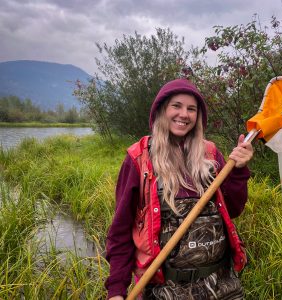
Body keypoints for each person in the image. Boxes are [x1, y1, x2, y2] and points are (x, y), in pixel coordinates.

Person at [105, 78, 254, 300]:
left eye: (191, 109)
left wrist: (239, 171)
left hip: (222, 285)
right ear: (161, 110)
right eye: (176, 106)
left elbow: (233, 209)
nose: (184, 114)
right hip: (166, 290)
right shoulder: (139, 159)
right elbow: (121, 230)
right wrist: (116, 290)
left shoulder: (211, 155)